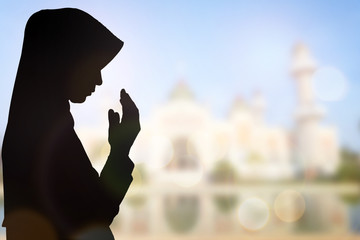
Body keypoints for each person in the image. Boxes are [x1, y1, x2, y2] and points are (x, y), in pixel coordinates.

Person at [1, 8, 140, 240]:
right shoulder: (44, 131)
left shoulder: (34, 123)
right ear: (65, 62)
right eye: (94, 68)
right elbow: (96, 213)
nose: (99, 80)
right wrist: (120, 150)